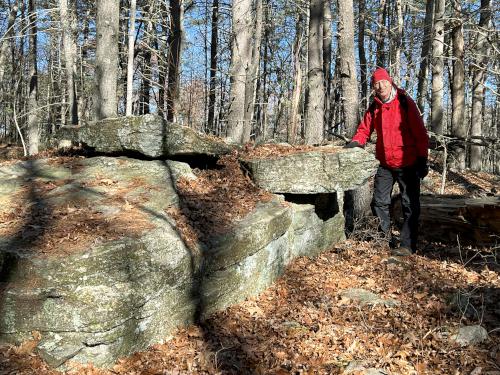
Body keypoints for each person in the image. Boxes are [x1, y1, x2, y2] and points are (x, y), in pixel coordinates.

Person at [345, 67, 429, 255]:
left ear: (390, 82)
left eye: (383, 82)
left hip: (408, 162)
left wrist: (423, 159)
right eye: (376, 83)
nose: (381, 86)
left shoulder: (405, 103)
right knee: (379, 203)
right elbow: (364, 130)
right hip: (385, 163)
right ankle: (385, 240)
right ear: (374, 87)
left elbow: (420, 134)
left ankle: (407, 245)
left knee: (410, 205)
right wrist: (356, 143)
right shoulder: (375, 106)